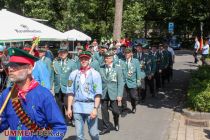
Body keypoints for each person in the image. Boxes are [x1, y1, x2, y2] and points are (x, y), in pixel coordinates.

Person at [0, 47, 67, 139]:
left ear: (29, 69)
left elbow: (59, 127)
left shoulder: (44, 95)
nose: (10, 69)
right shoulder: (6, 94)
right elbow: (3, 122)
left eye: (16, 65)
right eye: (9, 65)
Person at [66, 51, 102, 140]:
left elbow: (98, 93)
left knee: (93, 133)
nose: (84, 60)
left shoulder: (95, 74)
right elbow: (70, 92)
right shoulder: (73, 74)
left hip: (90, 106)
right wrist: (69, 108)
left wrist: (95, 109)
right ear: (79, 60)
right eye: (82, 59)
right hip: (77, 107)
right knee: (79, 135)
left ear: (89, 60)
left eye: (86, 59)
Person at [99, 50, 124, 135]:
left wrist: (120, 95)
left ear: (112, 58)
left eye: (108, 58)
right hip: (103, 93)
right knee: (104, 111)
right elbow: (98, 81)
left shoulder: (117, 68)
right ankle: (106, 127)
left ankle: (116, 122)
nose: (106, 59)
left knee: (116, 111)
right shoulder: (101, 68)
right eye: (105, 58)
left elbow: (121, 82)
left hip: (114, 93)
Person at [52, 46, 77, 123]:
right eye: (61, 52)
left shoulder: (72, 63)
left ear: (67, 53)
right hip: (57, 87)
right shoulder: (55, 62)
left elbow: (74, 76)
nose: (62, 54)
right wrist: (50, 86)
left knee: (67, 104)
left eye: (64, 52)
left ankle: (72, 118)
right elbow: (52, 75)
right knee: (59, 105)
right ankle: (62, 119)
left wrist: (70, 86)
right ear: (59, 53)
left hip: (67, 87)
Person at [123, 48, 145, 113]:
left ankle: (133, 106)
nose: (126, 54)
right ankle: (124, 108)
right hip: (124, 82)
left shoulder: (135, 61)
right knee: (123, 97)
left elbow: (138, 72)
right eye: (125, 53)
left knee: (133, 97)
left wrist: (138, 82)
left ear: (131, 54)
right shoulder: (122, 61)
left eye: (127, 53)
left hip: (132, 82)